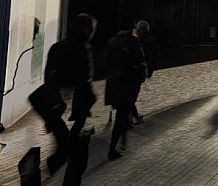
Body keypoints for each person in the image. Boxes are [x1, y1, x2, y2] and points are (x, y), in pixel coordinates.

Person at [30, 13, 97, 175]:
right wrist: (85, 107)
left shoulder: (57, 47)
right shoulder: (83, 48)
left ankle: (50, 168)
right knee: (72, 151)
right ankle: (48, 169)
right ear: (87, 30)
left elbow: (48, 77)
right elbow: (84, 79)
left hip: (51, 103)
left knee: (63, 145)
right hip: (70, 102)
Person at [104, 19, 147, 160]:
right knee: (122, 115)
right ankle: (114, 147)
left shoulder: (112, 41)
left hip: (113, 84)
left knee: (120, 113)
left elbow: (105, 63)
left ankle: (120, 141)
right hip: (128, 84)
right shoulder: (133, 41)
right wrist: (141, 76)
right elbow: (140, 60)